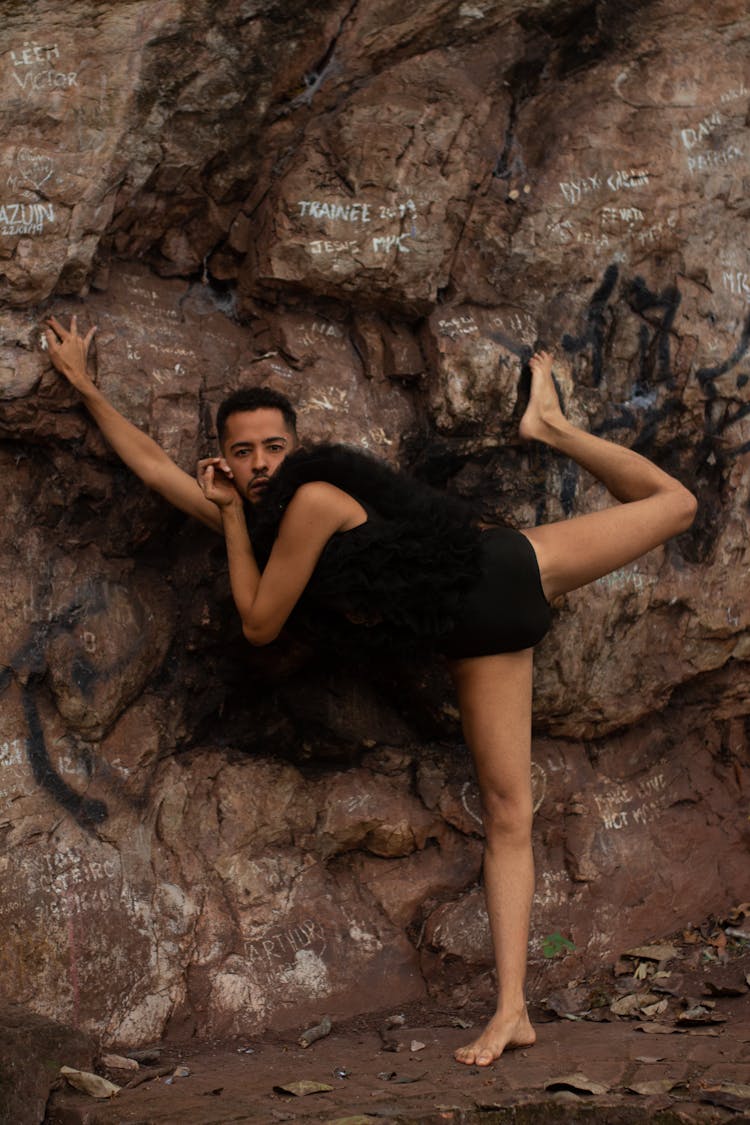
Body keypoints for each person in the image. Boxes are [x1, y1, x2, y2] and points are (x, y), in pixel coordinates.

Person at [44, 314, 697, 1066]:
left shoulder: (314, 499)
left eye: (273, 448)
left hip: (503, 570)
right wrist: (88, 390)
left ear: (297, 449)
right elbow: (159, 470)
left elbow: (259, 621)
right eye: (242, 452)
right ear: (222, 458)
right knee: (510, 812)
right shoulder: (254, 521)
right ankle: (512, 1008)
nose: (259, 464)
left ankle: (550, 426)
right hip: (475, 633)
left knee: (676, 505)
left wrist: (226, 516)